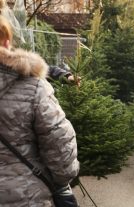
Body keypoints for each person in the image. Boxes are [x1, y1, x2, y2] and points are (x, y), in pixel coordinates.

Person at [0, 16, 79, 206]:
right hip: (26, 196)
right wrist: (61, 181)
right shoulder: (34, 87)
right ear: (7, 42)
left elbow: (52, 69)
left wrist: (65, 75)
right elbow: (60, 146)